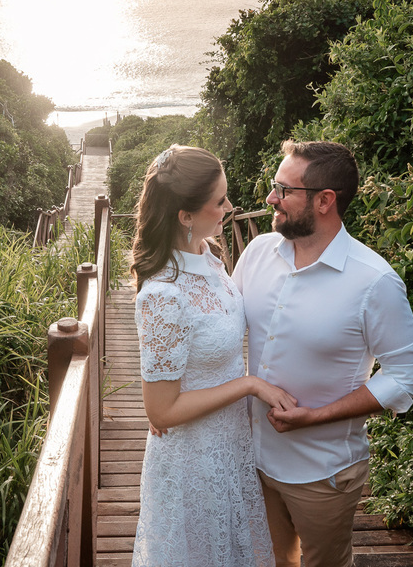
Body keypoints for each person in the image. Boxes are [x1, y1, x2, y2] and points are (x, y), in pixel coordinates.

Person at [234, 140, 413, 567]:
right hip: (252, 458)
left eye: (283, 190)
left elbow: (406, 374)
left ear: (324, 200)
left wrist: (315, 416)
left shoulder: (374, 282)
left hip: (323, 473)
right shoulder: (258, 251)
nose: (270, 199)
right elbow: (221, 331)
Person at [130, 144, 294, 567]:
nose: (230, 207)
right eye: (220, 201)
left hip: (231, 445)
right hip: (191, 460)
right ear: (185, 216)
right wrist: (250, 384)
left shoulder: (210, 256)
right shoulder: (162, 296)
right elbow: (161, 411)